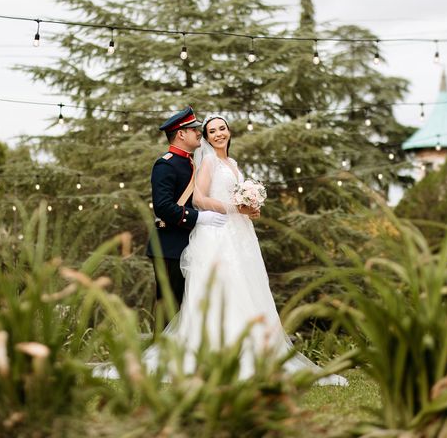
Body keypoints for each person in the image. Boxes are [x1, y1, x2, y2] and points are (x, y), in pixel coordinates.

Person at [166, 114, 348, 385]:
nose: (218, 134)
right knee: (224, 289)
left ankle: (254, 350)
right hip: (217, 233)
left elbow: (234, 198)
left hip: (239, 233)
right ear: (205, 137)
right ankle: (218, 352)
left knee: (248, 287)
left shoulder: (232, 163)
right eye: (212, 131)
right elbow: (199, 199)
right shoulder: (209, 162)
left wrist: (250, 209)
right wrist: (233, 208)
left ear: (229, 132)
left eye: (222, 129)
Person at [145, 106, 227, 315]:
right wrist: (199, 217)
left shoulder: (191, 162)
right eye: (193, 129)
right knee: (169, 309)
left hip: (191, 246)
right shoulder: (166, 165)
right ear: (181, 134)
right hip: (170, 247)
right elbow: (163, 207)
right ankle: (161, 348)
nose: (199, 132)